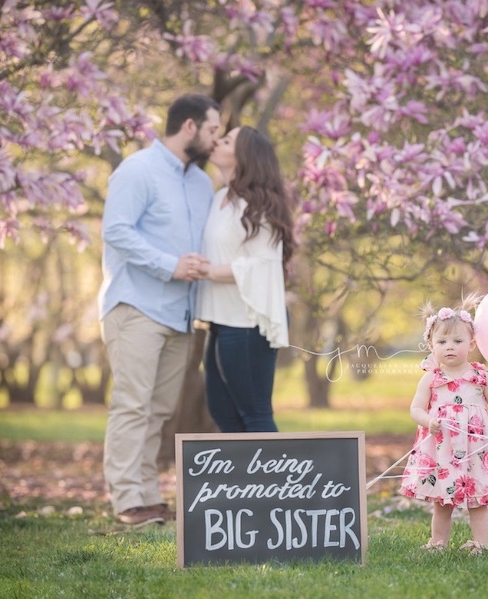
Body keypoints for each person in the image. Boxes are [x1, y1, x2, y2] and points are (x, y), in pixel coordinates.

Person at [98, 93, 221, 527]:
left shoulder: (201, 183)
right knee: (133, 404)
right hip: (137, 306)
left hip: (181, 316)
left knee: (161, 409)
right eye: (212, 130)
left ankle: (146, 495)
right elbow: (116, 231)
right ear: (189, 127)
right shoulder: (137, 170)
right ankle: (128, 498)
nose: (215, 139)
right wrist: (170, 265)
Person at [399, 297, 488, 554]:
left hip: (476, 447)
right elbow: (415, 408)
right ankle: (438, 543)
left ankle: (481, 544)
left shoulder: (481, 377)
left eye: (457, 341)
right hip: (443, 448)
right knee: (443, 502)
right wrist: (428, 421)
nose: (449, 347)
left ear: (472, 344)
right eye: (441, 342)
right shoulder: (431, 379)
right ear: (431, 345)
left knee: (478, 501)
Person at [196, 126, 296, 432]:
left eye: (226, 140)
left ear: (243, 157)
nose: (217, 141)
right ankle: (247, 481)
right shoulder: (219, 199)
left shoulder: (261, 207)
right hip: (220, 322)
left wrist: (209, 270)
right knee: (224, 414)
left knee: (255, 415)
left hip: (248, 326)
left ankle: (280, 481)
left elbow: (262, 266)